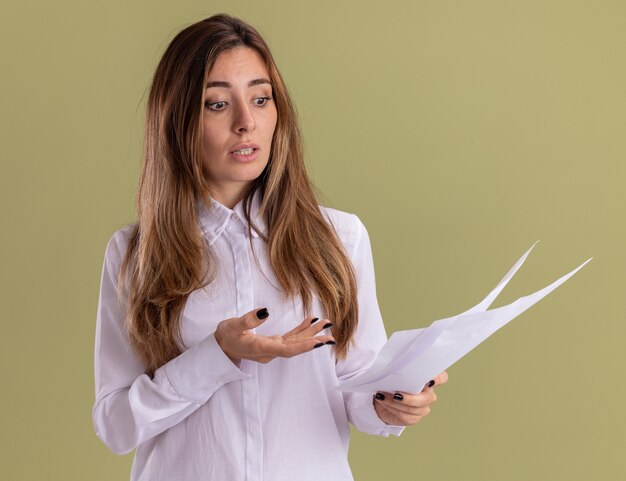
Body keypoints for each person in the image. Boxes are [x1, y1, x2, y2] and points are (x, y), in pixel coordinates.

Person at [92, 13, 448, 481]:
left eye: (261, 99)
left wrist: (394, 402)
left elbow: (357, 390)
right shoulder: (136, 254)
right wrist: (217, 354)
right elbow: (116, 426)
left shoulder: (339, 239)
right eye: (217, 104)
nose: (247, 122)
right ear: (178, 119)